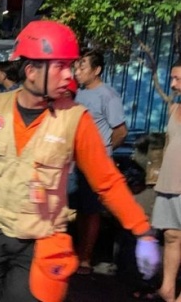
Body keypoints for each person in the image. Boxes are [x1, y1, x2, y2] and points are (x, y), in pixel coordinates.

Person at [0, 20, 160, 302]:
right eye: (61, 66)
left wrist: (142, 232)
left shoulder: (75, 119)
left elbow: (107, 182)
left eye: (71, 66)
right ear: (32, 71)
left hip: (38, 240)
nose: (69, 75)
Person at [70, 48, 128, 275]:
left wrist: (103, 152)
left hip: (96, 164)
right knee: (81, 209)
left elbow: (120, 131)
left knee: (92, 210)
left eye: (82, 66)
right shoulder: (80, 94)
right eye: (76, 66)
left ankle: (86, 258)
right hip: (77, 162)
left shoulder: (108, 95)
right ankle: (77, 252)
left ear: (97, 70)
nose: (77, 71)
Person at [151, 59, 181, 302]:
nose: (172, 84)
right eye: (172, 78)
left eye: (177, 79)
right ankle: (167, 290)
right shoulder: (174, 109)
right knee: (171, 236)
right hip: (169, 183)